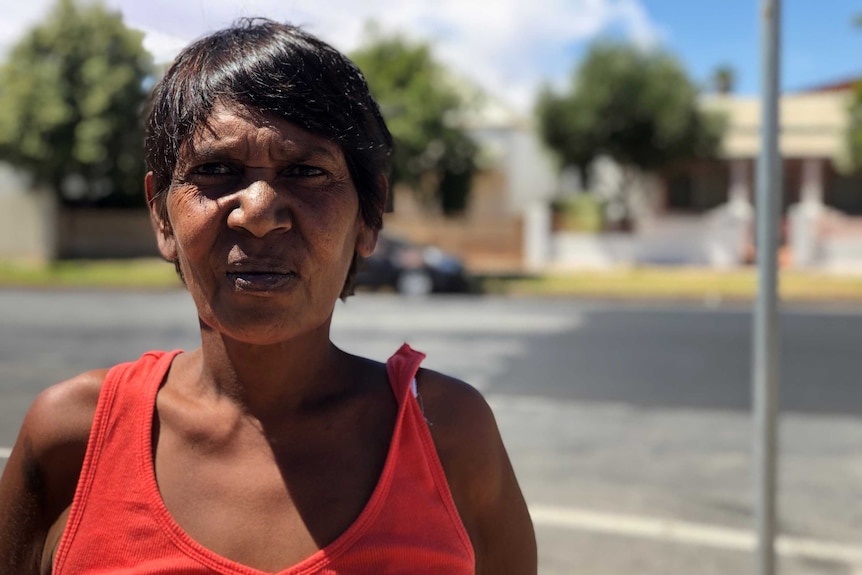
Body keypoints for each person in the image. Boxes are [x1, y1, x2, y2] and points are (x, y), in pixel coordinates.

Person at [0, 18, 537, 575]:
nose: (257, 211)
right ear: (161, 214)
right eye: (214, 170)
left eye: (306, 170)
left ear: (369, 215)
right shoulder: (73, 438)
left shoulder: (446, 433)